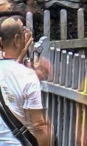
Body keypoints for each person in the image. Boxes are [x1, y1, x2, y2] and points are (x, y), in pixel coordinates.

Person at [0, 17, 51, 146]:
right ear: (17, 39)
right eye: (24, 31)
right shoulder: (27, 76)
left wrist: (22, 52)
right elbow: (38, 126)